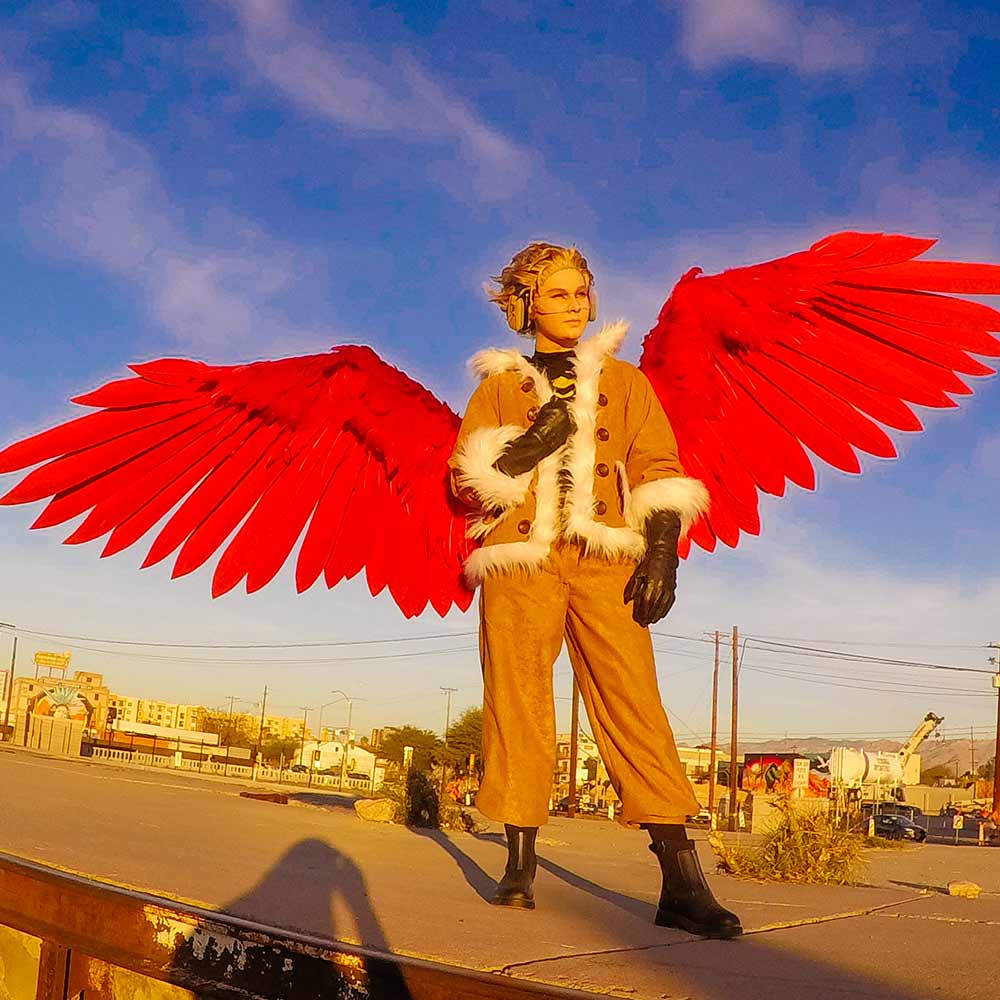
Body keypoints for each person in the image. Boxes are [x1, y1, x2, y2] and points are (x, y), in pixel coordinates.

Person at [447, 242, 741, 939]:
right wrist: (530, 442)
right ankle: (519, 867)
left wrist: (664, 547)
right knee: (517, 697)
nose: (574, 305)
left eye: (581, 292)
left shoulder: (629, 382)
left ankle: (681, 882)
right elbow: (467, 482)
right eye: (557, 294)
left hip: (607, 555)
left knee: (635, 700)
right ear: (525, 305)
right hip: (520, 560)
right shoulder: (496, 387)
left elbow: (659, 463)